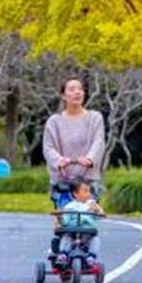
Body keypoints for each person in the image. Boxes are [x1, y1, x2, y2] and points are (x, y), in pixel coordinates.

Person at [43, 76, 106, 206]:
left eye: (80, 89)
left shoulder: (94, 118)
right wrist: (58, 160)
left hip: (88, 179)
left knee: (87, 220)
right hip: (63, 181)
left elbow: (98, 142)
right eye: (72, 89)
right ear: (63, 95)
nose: (77, 92)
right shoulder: (54, 122)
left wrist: (89, 159)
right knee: (65, 221)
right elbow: (48, 147)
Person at [57, 180, 104, 265]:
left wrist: (97, 210)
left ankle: (91, 256)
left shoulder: (91, 204)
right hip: (73, 230)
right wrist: (60, 217)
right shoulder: (70, 206)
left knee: (95, 239)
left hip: (87, 230)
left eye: (89, 191)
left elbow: (100, 215)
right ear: (75, 194)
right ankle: (63, 253)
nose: (88, 193)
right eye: (85, 191)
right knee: (66, 237)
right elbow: (65, 221)